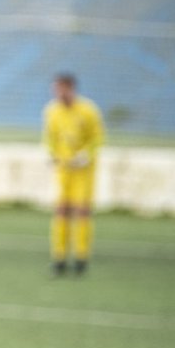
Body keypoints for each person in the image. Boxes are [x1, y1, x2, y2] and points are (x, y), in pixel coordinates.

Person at [43, 73, 105, 276]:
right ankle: (59, 257)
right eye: (55, 89)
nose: (58, 93)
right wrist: (51, 154)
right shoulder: (52, 111)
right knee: (61, 211)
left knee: (82, 212)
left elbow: (98, 137)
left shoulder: (88, 110)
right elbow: (50, 137)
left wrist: (86, 154)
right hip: (63, 170)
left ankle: (81, 257)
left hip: (83, 171)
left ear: (71, 88)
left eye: (62, 89)